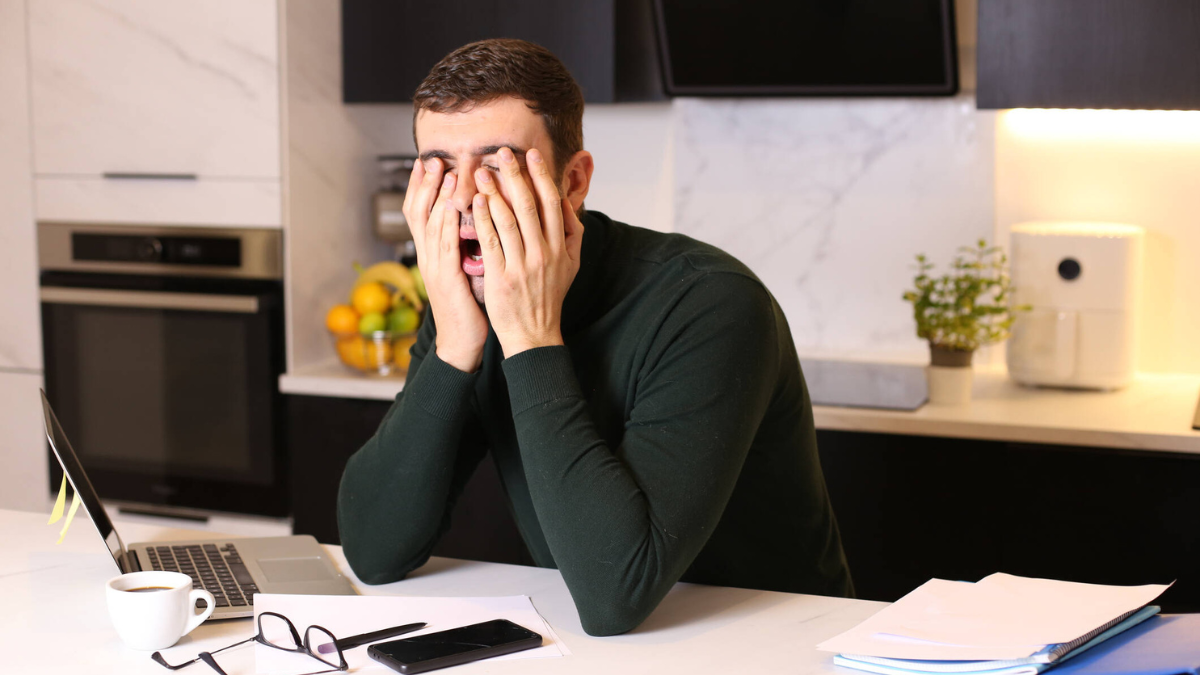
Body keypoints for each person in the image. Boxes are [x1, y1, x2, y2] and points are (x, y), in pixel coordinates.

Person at [337, 38, 853, 637]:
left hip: (777, 645)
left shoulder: (711, 303)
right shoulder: (466, 301)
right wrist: (454, 341)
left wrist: (530, 335)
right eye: (440, 167)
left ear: (573, 181)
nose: (464, 199)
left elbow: (616, 597)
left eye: (498, 163)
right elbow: (373, 551)